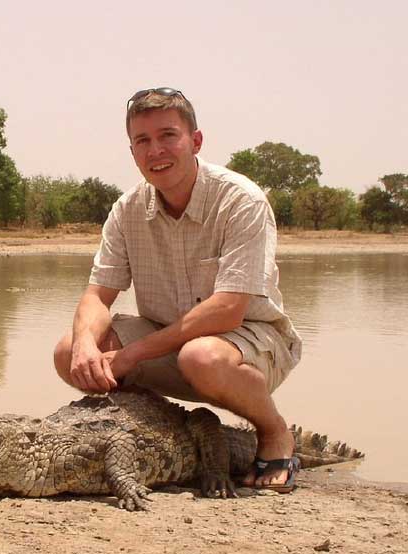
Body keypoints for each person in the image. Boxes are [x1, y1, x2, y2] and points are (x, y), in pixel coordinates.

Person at [53, 88, 303, 493]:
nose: (156, 151)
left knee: (200, 356)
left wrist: (131, 354)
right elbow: (98, 295)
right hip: (167, 339)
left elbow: (227, 311)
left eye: (168, 135)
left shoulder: (241, 200)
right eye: (143, 141)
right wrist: (85, 343)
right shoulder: (127, 209)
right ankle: (153, 426)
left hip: (245, 341)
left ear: (196, 141)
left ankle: (274, 431)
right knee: (68, 352)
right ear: (133, 151)